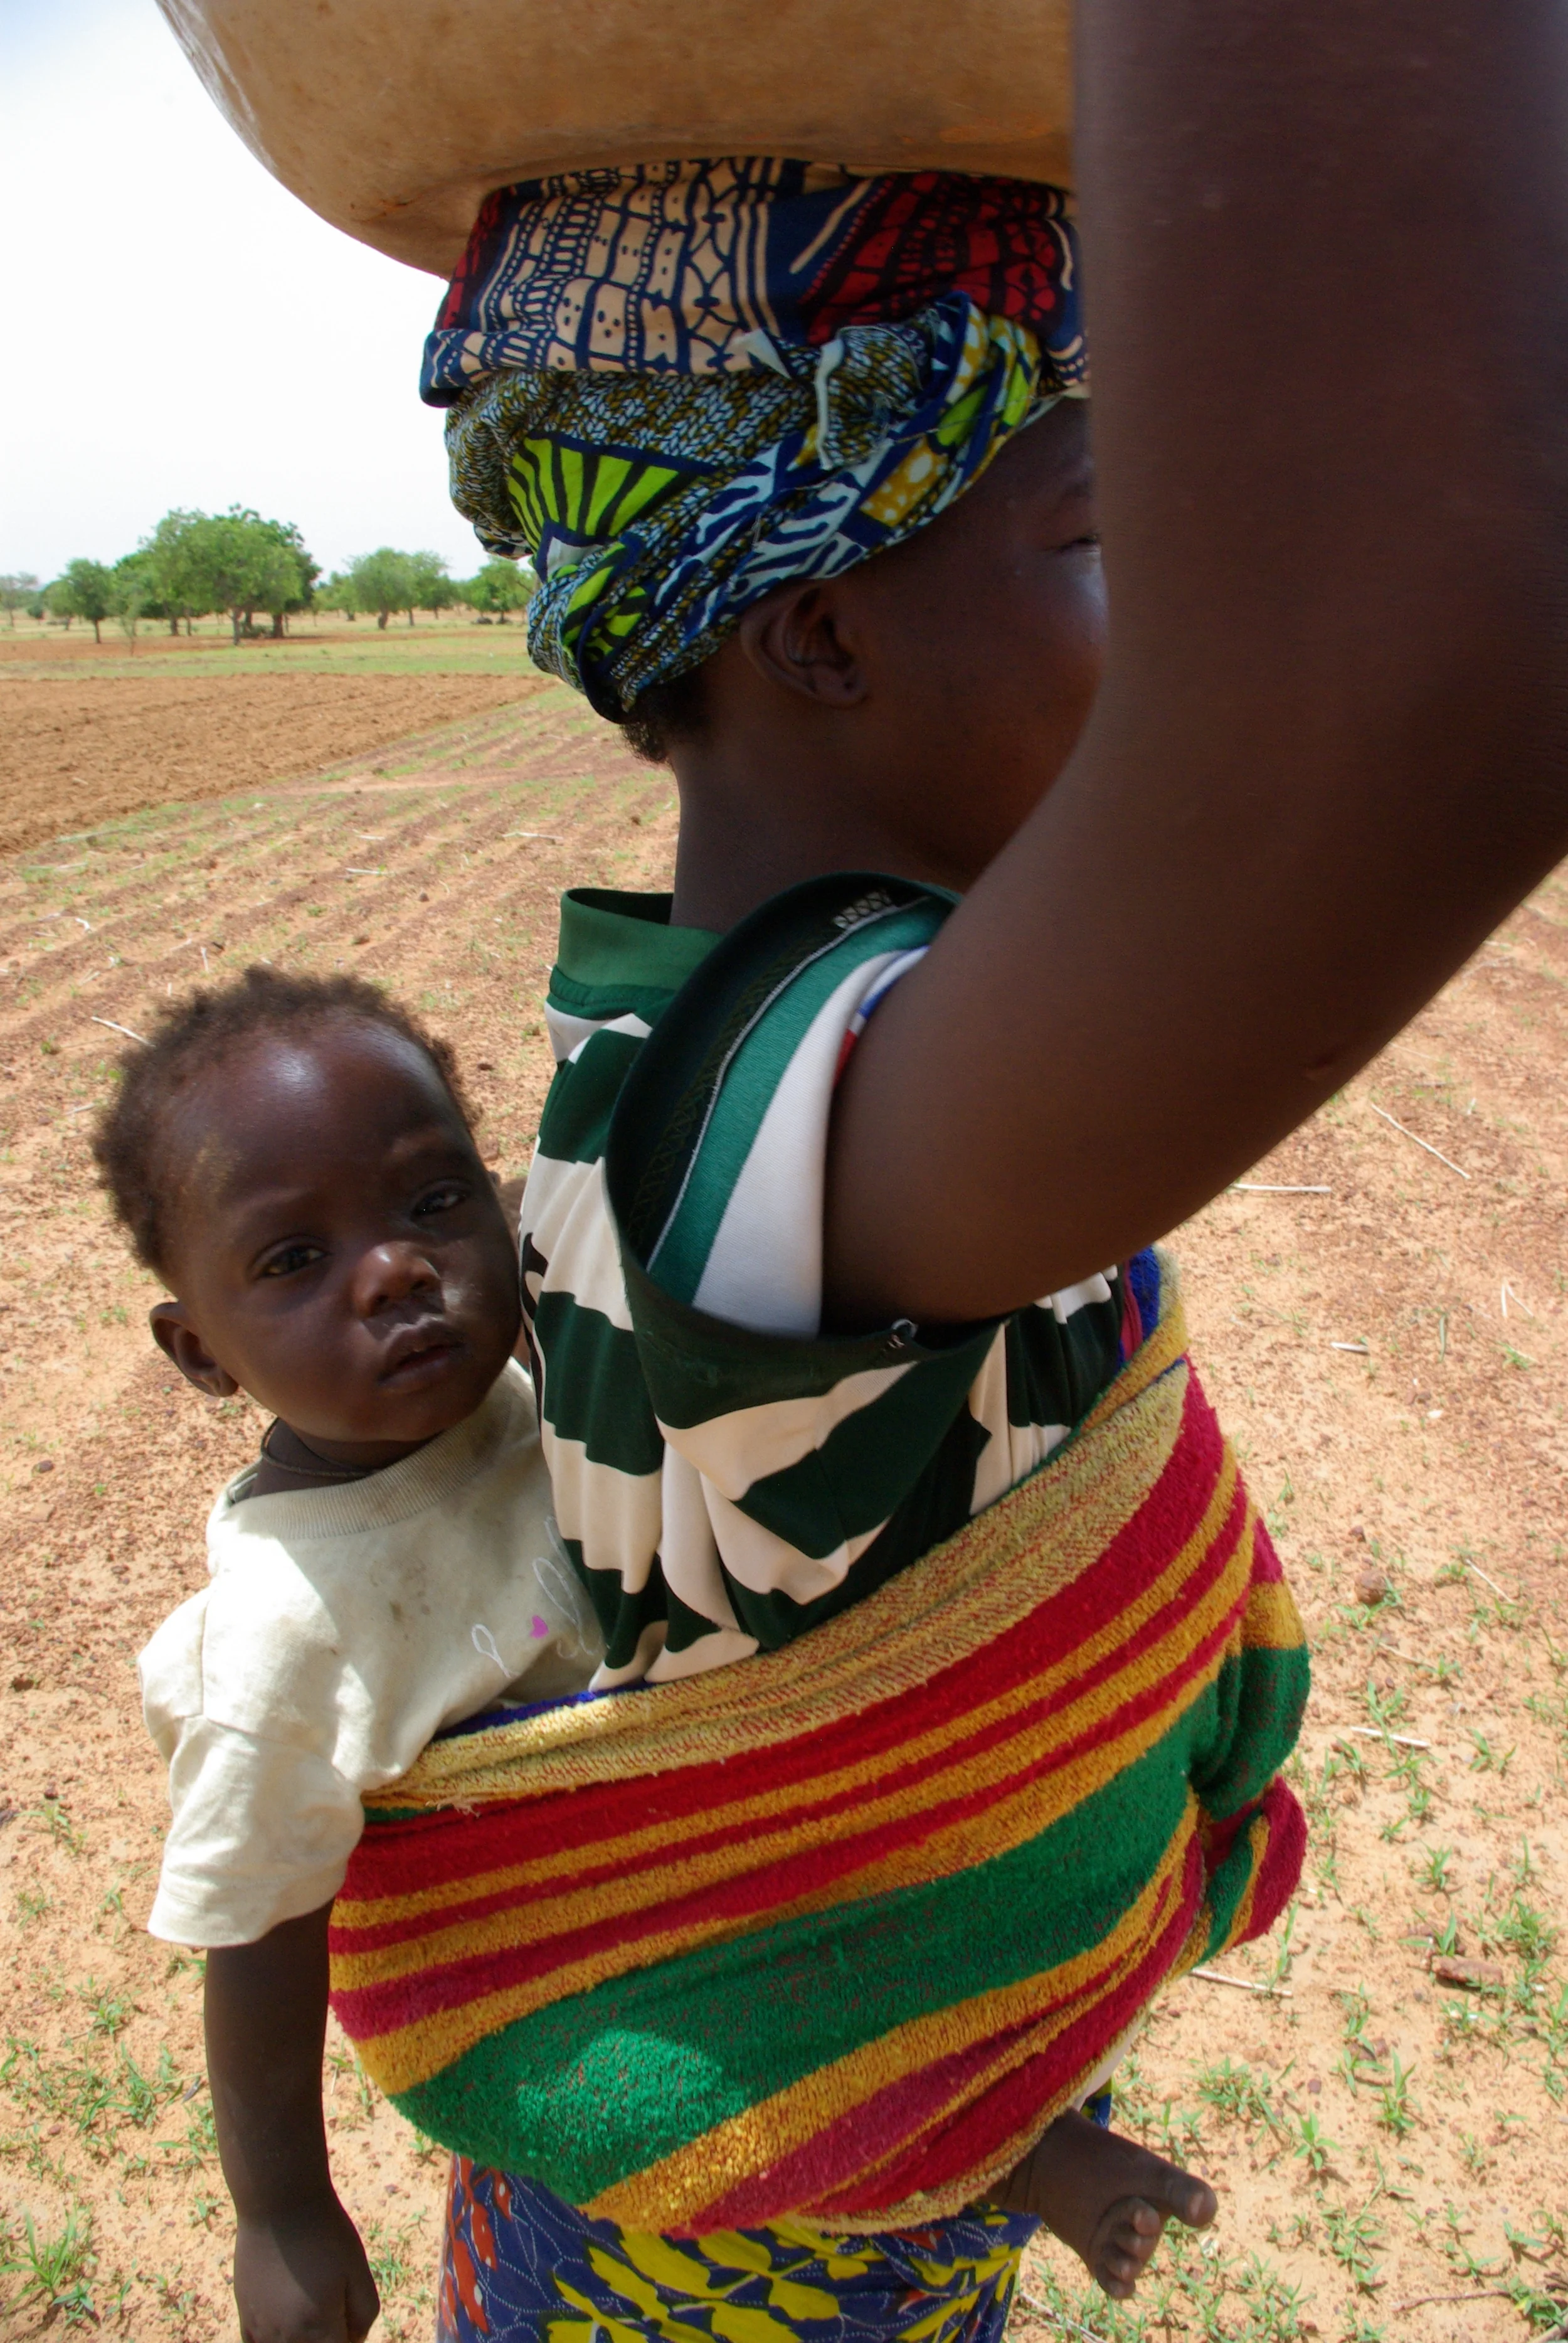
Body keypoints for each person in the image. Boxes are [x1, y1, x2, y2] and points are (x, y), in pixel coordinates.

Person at [364, 0, 1568, 2319]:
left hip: (817, 2200)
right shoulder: (813, 1107)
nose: (1155, 634)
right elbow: (1441, 659)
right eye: (1103, 535)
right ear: (825, 628)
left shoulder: (709, 1036)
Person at [94, 967, 605, 2343]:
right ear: (201, 1354)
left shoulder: (537, 1384)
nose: (394, 1267)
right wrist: (283, 2216)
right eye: (291, 1260)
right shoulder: (281, 1636)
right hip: (571, 2045)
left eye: (435, 1201)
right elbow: (259, 1929)